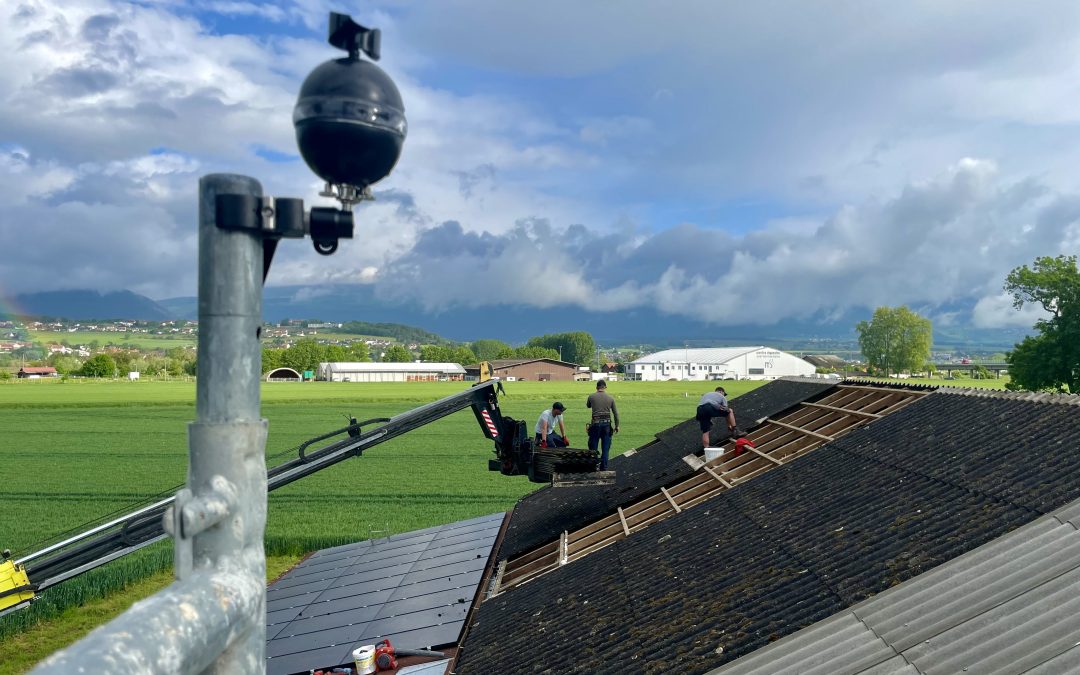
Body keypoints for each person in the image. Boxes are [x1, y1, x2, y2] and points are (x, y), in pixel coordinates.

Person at [586, 379, 619, 470]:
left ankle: (593, 467)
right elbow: (616, 414)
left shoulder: (591, 396)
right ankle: (603, 468)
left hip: (595, 425)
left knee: (593, 448)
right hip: (607, 426)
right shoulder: (611, 398)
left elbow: (588, 405)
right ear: (605, 387)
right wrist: (617, 426)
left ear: (596, 387)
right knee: (605, 449)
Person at [697, 386, 737, 450]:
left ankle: (706, 447)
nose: (724, 395)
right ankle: (735, 429)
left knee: (705, 431)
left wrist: (709, 421)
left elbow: (705, 408)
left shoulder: (707, 394)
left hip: (699, 410)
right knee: (730, 411)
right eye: (724, 394)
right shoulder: (722, 396)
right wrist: (729, 425)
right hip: (709, 408)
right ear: (721, 392)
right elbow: (726, 409)